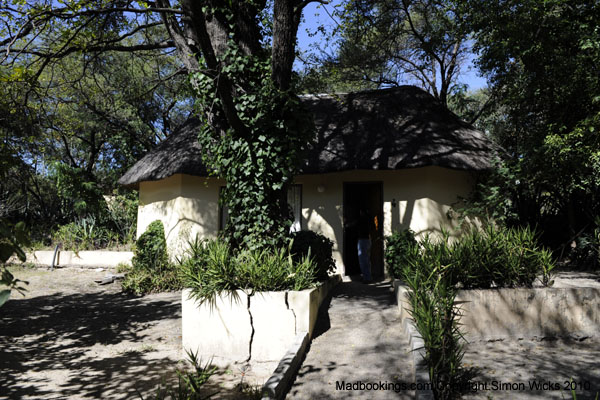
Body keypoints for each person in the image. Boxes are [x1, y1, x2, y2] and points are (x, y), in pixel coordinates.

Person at [357, 208, 372, 283]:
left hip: (362, 240)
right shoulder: (369, 219)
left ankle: (366, 278)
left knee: (363, 259)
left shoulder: (362, 220)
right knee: (367, 259)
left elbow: (355, 224)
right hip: (368, 239)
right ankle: (368, 277)